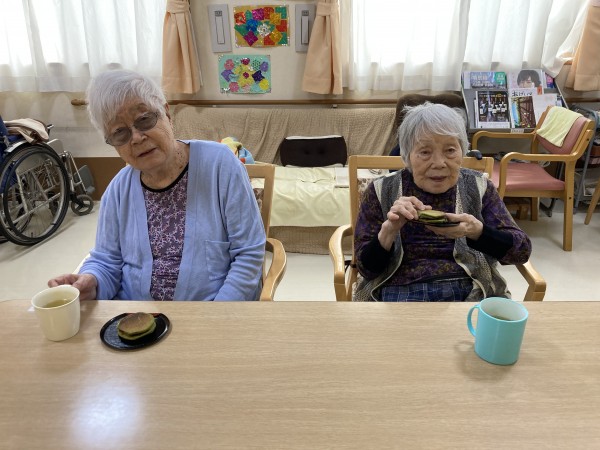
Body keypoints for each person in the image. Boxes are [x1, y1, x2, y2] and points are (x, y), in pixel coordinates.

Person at [48, 70, 266, 301]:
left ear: (166, 114)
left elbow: (248, 255)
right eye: (119, 133)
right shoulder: (118, 190)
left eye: (144, 119)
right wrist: (92, 281)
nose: (136, 138)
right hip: (134, 316)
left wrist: (215, 316)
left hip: (209, 312)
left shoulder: (220, 165)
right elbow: (106, 261)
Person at [354, 102, 532, 302]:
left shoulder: (479, 187)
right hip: (398, 291)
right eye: (425, 152)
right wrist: (388, 231)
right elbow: (366, 269)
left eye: (450, 150)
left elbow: (521, 252)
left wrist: (478, 232)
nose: (439, 163)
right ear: (407, 156)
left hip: (470, 289)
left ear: (462, 152)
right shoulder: (381, 190)